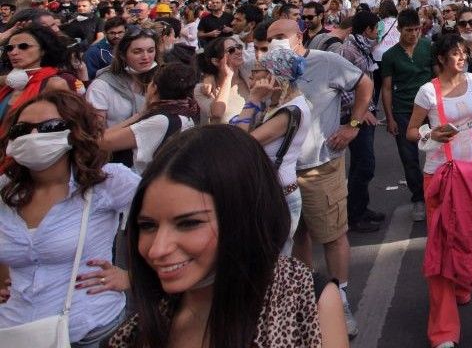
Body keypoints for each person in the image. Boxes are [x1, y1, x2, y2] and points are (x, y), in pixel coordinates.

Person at [104, 126, 347, 348]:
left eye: (189, 223)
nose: (158, 249)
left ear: (243, 217)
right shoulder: (131, 336)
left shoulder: (307, 302)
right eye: (148, 226)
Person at [0, 91, 141, 348]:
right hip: (16, 334)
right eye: (22, 130)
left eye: (49, 127)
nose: (34, 136)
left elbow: (180, 221)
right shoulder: (5, 190)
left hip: (92, 333)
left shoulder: (107, 182)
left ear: (76, 131)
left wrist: (132, 277)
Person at [267, 18, 372, 337]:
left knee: (332, 235)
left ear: (299, 37)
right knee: (298, 236)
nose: (274, 44)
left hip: (320, 167)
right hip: (279, 174)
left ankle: (339, 300)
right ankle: (308, 297)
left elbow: (364, 84)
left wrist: (352, 127)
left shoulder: (326, 62)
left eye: (280, 37)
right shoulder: (267, 69)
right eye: (269, 39)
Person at [405, 34, 472, 348]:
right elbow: (411, 131)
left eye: (464, 53)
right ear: (441, 58)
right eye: (456, 53)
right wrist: (432, 135)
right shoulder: (427, 92)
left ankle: (462, 283)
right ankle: (443, 330)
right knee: (441, 248)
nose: (462, 58)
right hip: (440, 176)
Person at [233, 47, 312, 255]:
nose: (251, 76)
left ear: (273, 75)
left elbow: (239, 142)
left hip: (279, 196)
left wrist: (253, 100)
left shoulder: (290, 112)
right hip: (272, 191)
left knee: (274, 259)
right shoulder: (278, 104)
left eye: (256, 71)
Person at [97, 63, 199, 174]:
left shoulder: (161, 120)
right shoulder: (186, 114)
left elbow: (101, 141)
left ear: (154, 88)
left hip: (138, 180)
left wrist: (142, 113)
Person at [380, 9, 432, 222]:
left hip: (430, 108)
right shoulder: (389, 56)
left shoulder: (428, 47)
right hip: (403, 110)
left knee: (437, 151)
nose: (413, 34)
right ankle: (418, 197)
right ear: (399, 30)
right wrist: (390, 118)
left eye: (417, 29)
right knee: (409, 157)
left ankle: (438, 192)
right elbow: (386, 89)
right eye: (409, 30)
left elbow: (438, 75)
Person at [339, 11, 384, 233]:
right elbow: (343, 86)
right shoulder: (348, 50)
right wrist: (361, 111)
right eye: (376, 29)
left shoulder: (362, 47)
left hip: (367, 111)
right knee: (365, 165)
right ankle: (354, 216)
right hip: (355, 117)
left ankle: (361, 208)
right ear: (367, 30)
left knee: (360, 163)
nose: (378, 34)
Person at [0, 25, 73, 125]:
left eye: (23, 46)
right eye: (10, 48)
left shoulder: (54, 84)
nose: (14, 52)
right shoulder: (7, 82)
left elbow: (69, 122)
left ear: (43, 50)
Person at [194, 36, 250, 125]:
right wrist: (228, 77)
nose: (238, 52)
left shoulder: (249, 75)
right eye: (231, 50)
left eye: (239, 47)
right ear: (216, 61)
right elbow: (217, 113)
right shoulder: (203, 89)